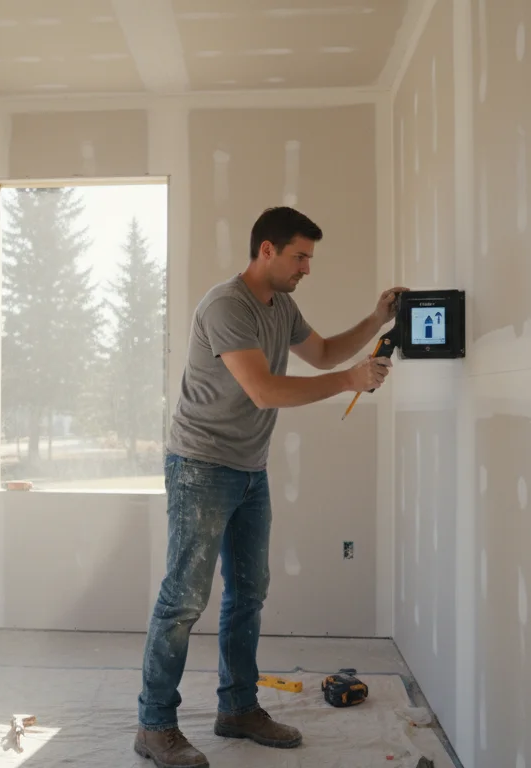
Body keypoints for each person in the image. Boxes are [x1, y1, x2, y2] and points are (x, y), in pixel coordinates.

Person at [134, 206, 405, 767]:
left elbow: (325, 352)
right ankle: (154, 724)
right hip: (202, 467)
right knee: (184, 600)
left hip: (248, 469)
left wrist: (376, 319)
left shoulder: (281, 306)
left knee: (248, 595)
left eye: (309, 257)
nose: (307, 267)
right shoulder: (226, 306)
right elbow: (264, 391)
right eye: (299, 256)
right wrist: (350, 382)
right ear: (266, 251)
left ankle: (237, 708)